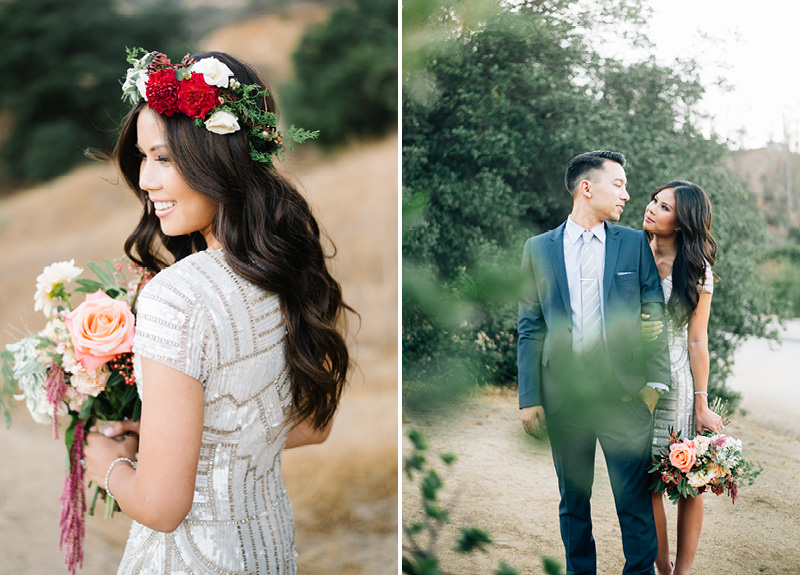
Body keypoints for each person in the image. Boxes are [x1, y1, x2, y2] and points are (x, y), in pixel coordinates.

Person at [82, 49, 352, 574]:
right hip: (267, 548)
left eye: (164, 158)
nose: (145, 181)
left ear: (217, 158)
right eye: (143, 158)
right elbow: (315, 424)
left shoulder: (176, 296)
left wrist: (105, 464)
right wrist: (167, 442)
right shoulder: (290, 270)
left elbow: (162, 507)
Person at [517, 150, 671, 575]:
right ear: (587, 187)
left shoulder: (633, 244)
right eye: (618, 184)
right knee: (574, 503)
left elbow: (653, 312)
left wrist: (652, 388)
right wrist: (529, 397)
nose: (627, 194)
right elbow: (531, 327)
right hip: (564, 398)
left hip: (625, 397)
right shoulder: (538, 249)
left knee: (634, 504)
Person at [642, 181, 723, 575]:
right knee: (646, 479)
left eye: (664, 206)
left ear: (682, 221)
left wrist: (702, 402)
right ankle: (661, 565)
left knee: (686, 475)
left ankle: (683, 572)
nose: (651, 208)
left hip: (678, 383)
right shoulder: (632, 252)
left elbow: (696, 340)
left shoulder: (697, 270)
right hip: (635, 382)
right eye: (654, 200)